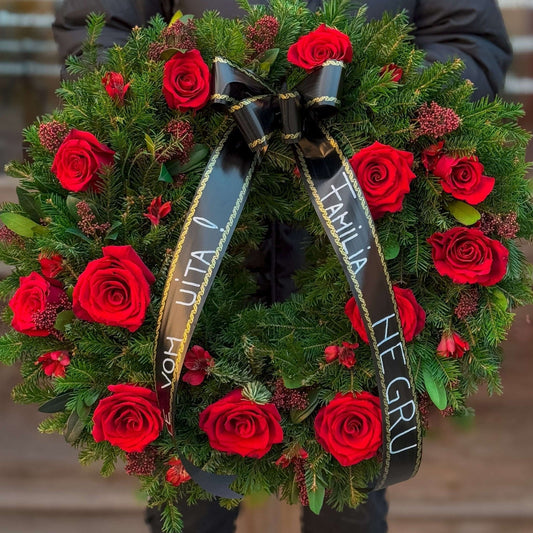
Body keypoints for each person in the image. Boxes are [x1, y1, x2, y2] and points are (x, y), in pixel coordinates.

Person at [52, 1, 512, 532]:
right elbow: (100, 24)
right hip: (197, 212)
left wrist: (378, 99)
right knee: (190, 487)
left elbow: (467, 37)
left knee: (350, 488)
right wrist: (168, 103)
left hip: (365, 221)